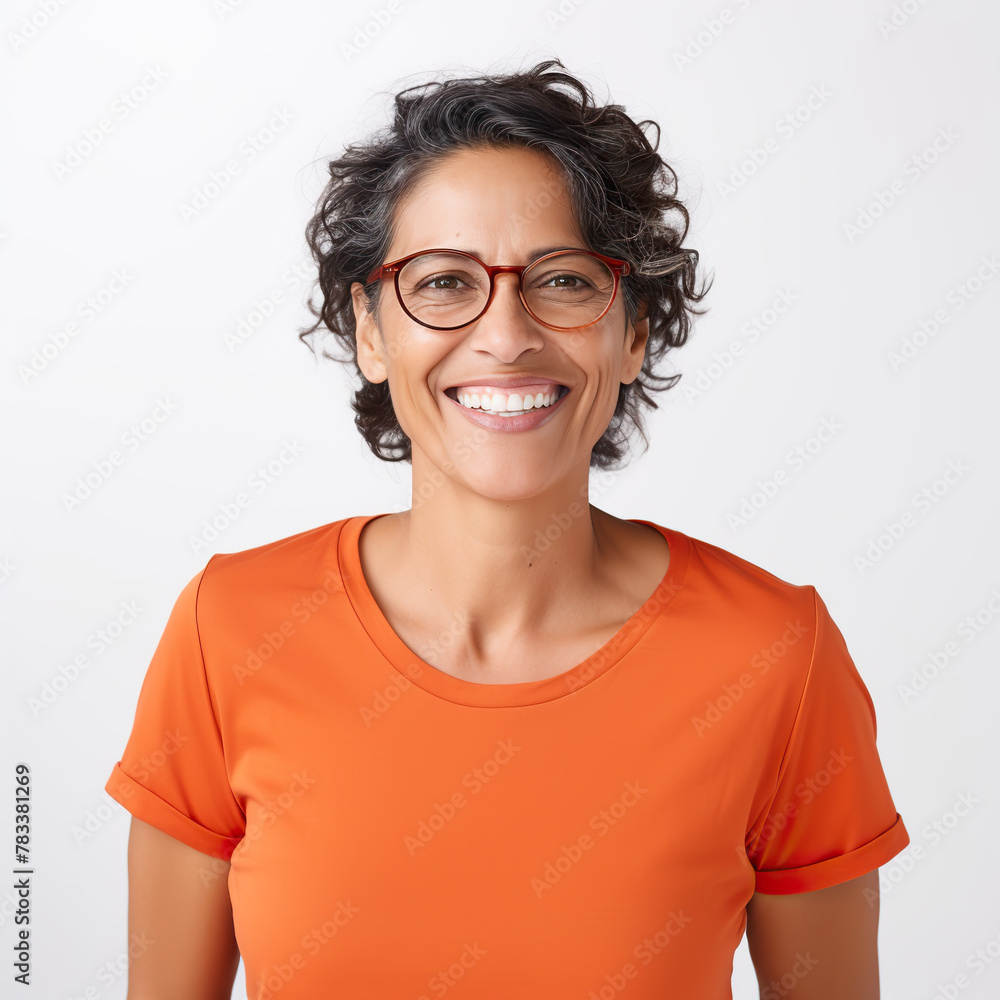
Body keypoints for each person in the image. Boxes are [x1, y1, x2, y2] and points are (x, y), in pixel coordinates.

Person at [106, 59, 910, 999]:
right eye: (443, 282)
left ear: (635, 327)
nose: (505, 333)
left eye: (563, 280)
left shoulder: (777, 657)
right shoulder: (227, 632)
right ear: (370, 330)